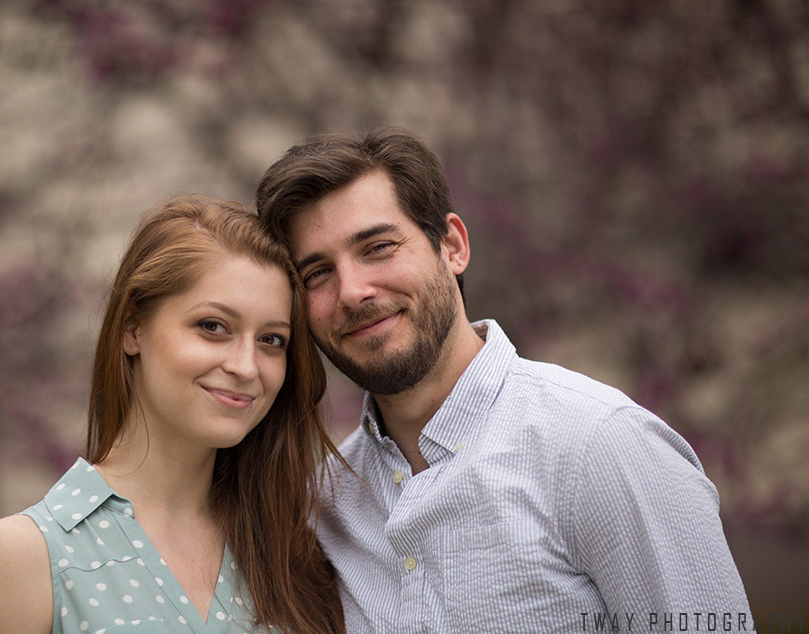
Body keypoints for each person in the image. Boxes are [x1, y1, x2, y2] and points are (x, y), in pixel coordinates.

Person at [255, 127, 752, 633]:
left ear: (452, 246)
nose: (353, 291)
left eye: (379, 247)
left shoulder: (601, 447)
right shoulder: (328, 505)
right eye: (317, 273)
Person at [0, 195, 346, 634]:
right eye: (213, 326)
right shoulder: (22, 556)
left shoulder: (297, 553)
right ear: (132, 328)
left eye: (272, 339)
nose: (246, 367)